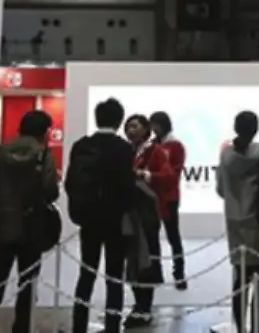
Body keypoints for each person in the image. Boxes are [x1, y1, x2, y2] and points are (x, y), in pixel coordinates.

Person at [0, 110, 59, 333]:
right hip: (32, 227)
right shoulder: (43, 155)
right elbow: (50, 191)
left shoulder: (1, 153)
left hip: (3, 225)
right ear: (43, 131)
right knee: (27, 284)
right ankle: (22, 327)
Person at [67, 98, 136, 333]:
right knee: (114, 277)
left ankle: (79, 325)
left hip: (88, 218)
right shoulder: (123, 148)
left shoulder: (82, 145)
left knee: (86, 273)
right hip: (115, 220)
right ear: (119, 120)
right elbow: (127, 186)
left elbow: (70, 182)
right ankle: (112, 326)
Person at [217, 111, 259, 333]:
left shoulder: (226, 155)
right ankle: (257, 329)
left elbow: (220, 189)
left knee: (240, 280)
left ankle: (241, 329)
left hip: (235, 223)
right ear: (256, 128)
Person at [123, 113, 175, 327]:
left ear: (146, 129)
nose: (130, 130)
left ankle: (145, 307)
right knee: (133, 261)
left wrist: (146, 175)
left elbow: (169, 176)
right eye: (128, 126)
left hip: (147, 214)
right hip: (129, 214)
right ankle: (138, 304)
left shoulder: (156, 151)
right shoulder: (127, 151)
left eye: (135, 126)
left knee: (147, 260)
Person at [149, 110, 187, 289]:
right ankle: (155, 272)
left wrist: (153, 176)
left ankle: (179, 274)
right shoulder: (151, 145)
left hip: (169, 196)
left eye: (155, 125)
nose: (153, 129)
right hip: (152, 196)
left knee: (173, 236)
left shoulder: (176, 146)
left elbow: (174, 173)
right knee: (152, 236)